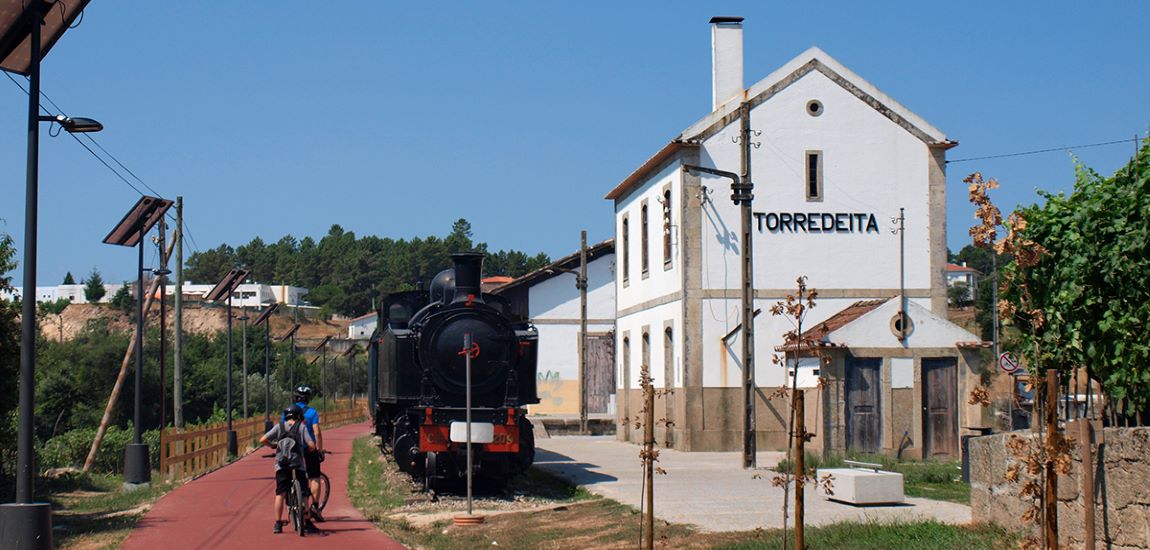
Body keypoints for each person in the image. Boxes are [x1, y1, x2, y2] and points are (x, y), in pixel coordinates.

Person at [261, 404, 316, 534]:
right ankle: (307, 518)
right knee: (304, 491)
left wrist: (273, 446)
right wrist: (307, 451)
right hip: (298, 464)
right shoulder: (301, 427)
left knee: (280, 493)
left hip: (281, 464)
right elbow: (311, 445)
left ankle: (278, 523)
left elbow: (262, 439)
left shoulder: (279, 426)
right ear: (299, 416)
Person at [287, 385, 325, 521]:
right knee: (314, 476)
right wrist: (319, 450)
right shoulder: (312, 412)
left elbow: (282, 429)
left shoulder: (287, 412)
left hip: (292, 449)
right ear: (308, 399)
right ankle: (314, 507)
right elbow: (317, 432)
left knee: (296, 476)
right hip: (309, 448)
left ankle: (296, 504)